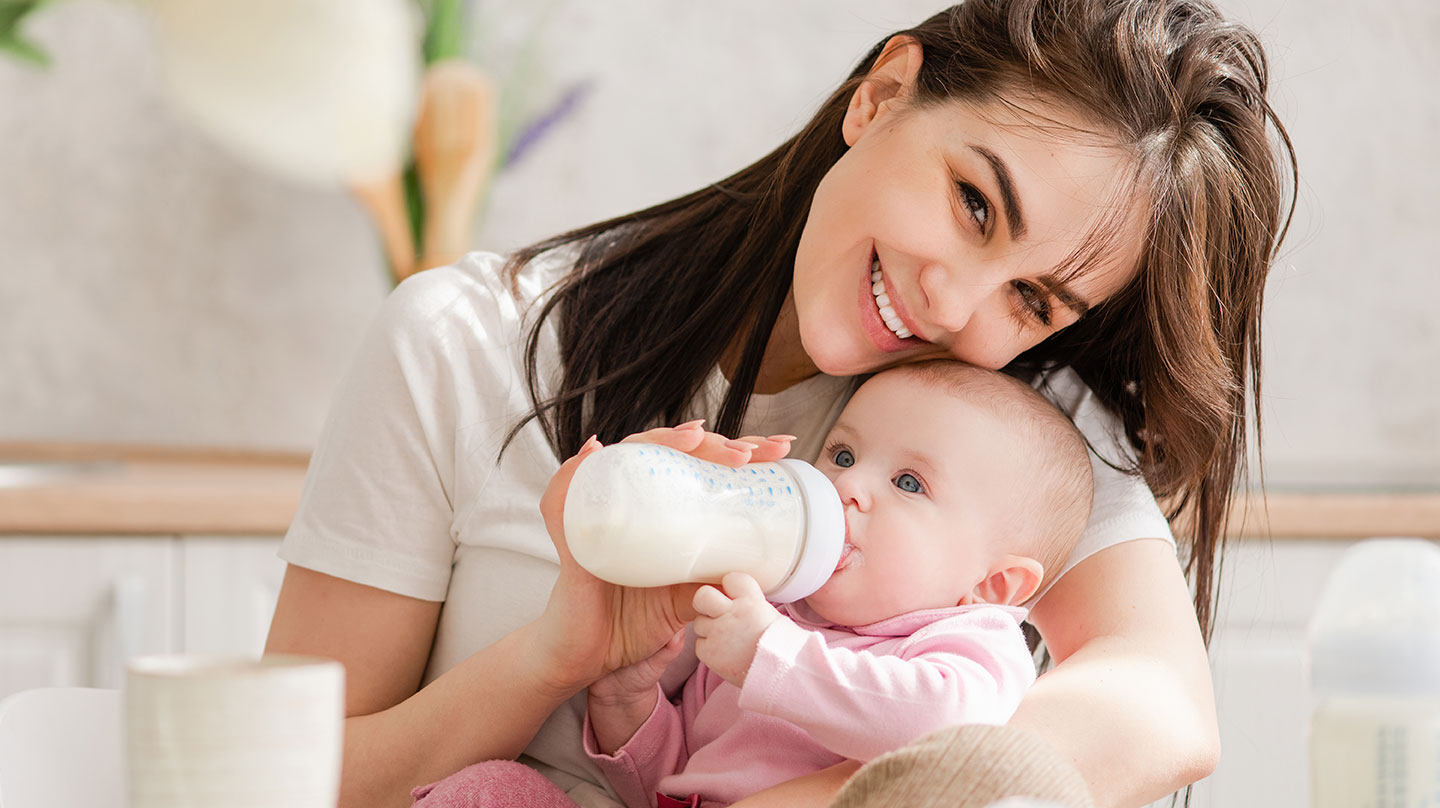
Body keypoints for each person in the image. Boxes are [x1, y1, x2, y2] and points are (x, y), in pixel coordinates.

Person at [263, 1, 1297, 807]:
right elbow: (282, 779)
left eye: (1032, 297)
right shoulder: (465, 343)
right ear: (883, 95)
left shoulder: (1007, 428)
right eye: (974, 204)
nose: (956, 302)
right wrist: (551, 660)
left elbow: (1160, 704)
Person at [408, 360, 1096, 808]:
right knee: (493, 792)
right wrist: (628, 703)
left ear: (994, 585)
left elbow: (947, 728)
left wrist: (772, 657)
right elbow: (672, 780)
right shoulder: (769, 610)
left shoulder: (967, 642)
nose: (848, 487)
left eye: (908, 483)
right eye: (845, 454)